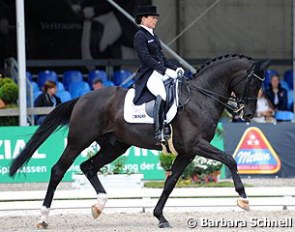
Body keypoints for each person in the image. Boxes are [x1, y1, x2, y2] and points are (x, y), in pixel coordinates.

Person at [133, 5, 184, 143]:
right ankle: (159, 130)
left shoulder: (153, 35)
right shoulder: (140, 36)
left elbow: (162, 57)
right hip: (149, 74)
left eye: (156, 18)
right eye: (153, 17)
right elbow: (146, 58)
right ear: (143, 19)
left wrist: (175, 68)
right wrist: (165, 70)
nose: (155, 20)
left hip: (160, 71)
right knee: (162, 94)